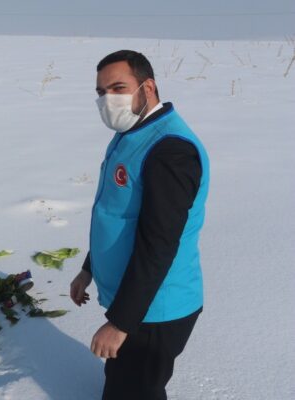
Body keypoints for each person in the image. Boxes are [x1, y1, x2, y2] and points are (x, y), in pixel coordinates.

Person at [70, 50, 209, 399]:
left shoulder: (170, 151)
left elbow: (158, 246)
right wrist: (89, 268)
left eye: (118, 88)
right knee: (123, 379)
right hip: (133, 303)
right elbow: (116, 215)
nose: (108, 100)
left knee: (137, 390)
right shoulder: (132, 131)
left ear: (148, 87)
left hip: (155, 310)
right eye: (102, 92)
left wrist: (120, 323)